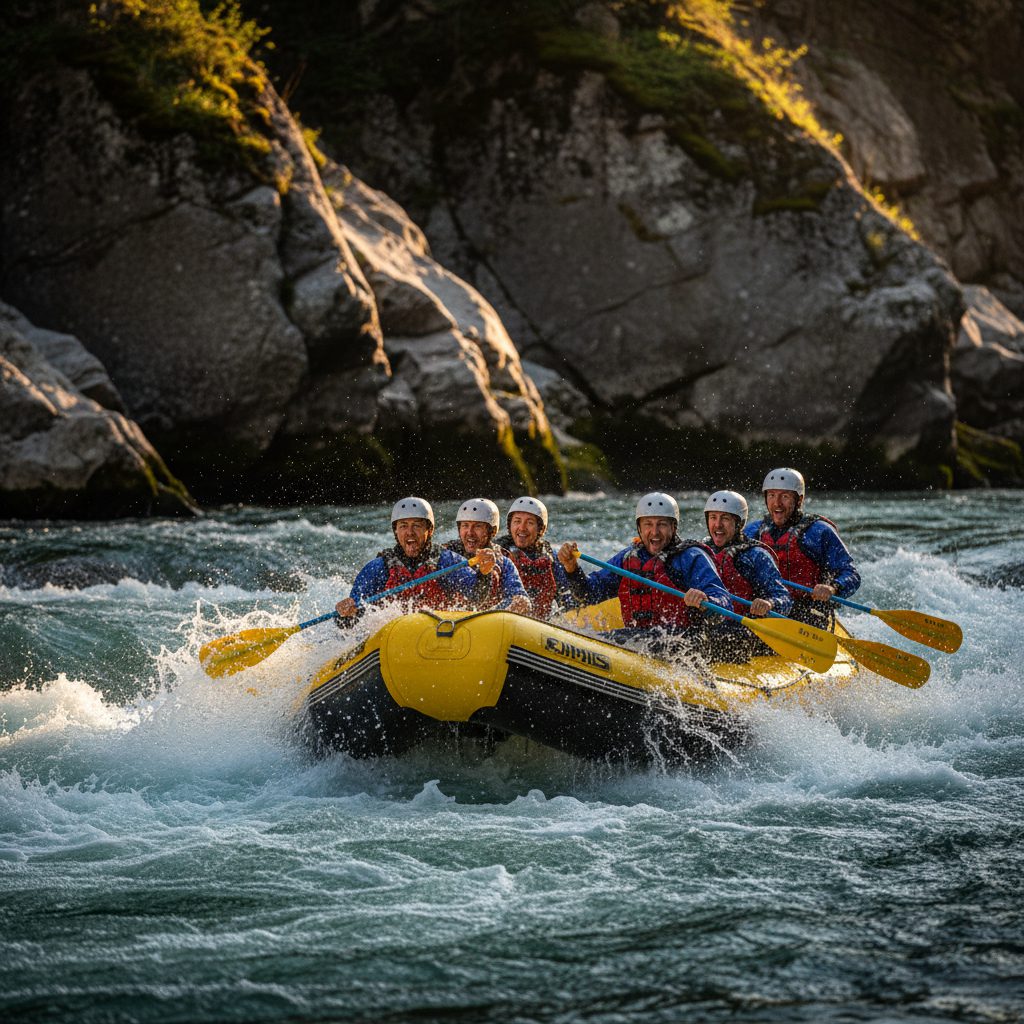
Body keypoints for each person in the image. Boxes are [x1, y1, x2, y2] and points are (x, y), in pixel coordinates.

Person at [558, 492, 731, 655]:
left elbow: (723, 601)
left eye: (662, 524)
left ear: (674, 527)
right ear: (639, 529)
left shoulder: (691, 556)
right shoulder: (628, 557)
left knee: (611, 640)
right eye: (648, 524)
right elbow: (589, 594)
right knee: (602, 639)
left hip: (684, 642)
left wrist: (706, 601)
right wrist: (572, 569)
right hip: (639, 637)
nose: (654, 532)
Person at [743, 467, 860, 629]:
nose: (777, 503)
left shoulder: (819, 531)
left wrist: (832, 588)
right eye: (771, 495)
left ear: (799, 500)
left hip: (808, 612)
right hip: (765, 608)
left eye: (784, 496)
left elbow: (851, 574)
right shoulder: (753, 532)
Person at [703, 489, 792, 659]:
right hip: (709, 630)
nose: (718, 524)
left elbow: (784, 598)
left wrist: (769, 603)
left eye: (725, 519)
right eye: (713, 517)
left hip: (744, 635)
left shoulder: (756, 555)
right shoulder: (699, 552)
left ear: (739, 523)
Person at [335, 496, 455, 621]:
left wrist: (478, 574)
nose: (410, 532)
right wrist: (345, 613)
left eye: (417, 526)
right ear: (396, 531)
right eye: (403, 526)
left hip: (440, 629)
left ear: (429, 530)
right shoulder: (378, 568)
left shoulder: (448, 561)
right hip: (394, 634)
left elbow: (475, 593)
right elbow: (348, 624)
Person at [494, 496, 587, 619]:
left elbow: (571, 599)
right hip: (499, 618)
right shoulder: (495, 553)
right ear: (510, 526)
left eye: (530, 523)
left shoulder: (552, 558)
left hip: (538, 625)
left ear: (541, 530)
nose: (522, 528)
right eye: (517, 521)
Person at [443, 498, 532, 614]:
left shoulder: (504, 563)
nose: (470, 532)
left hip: (487, 622)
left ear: (492, 531)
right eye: (465, 525)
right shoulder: (446, 557)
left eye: (478, 526)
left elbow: (521, 600)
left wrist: (517, 604)